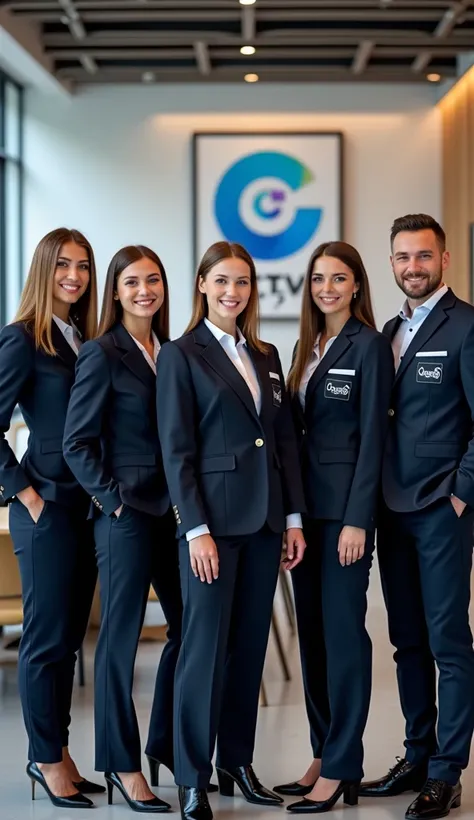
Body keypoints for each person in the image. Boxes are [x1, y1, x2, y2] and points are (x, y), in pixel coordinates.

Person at [156, 240, 306, 820]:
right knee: (202, 651)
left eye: (243, 282)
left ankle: (236, 763)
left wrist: (292, 518)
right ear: (201, 284)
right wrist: (194, 529)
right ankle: (192, 775)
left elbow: (283, 440)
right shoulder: (181, 354)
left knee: (248, 650)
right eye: (222, 280)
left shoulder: (266, 354)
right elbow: (177, 450)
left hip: (266, 523)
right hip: (211, 530)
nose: (232, 292)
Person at [359, 214, 474, 820]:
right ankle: (416, 752)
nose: (412, 268)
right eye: (402, 257)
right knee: (406, 641)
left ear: (444, 260)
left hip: (440, 510)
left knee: (448, 640)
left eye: (423, 257)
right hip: (390, 509)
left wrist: (462, 492)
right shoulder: (388, 331)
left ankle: (446, 771)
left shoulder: (468, 326)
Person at [273, 242, 394, 814]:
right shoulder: (306, 347)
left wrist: (357, 520)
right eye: (319, 278)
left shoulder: (369, 347)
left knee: (345, 637)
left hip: (345, 519)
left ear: (356, 286)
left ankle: (345, 763)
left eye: (338, 278)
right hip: (306, 519)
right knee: (315, 638)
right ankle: (324, 752)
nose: (327, 287)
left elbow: (374, 440)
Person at [63, 246, 183, 813]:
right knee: (120, 639)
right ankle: (122, 765)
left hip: (176, 513)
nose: (144, 290)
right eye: (132, 281)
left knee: (190, 628)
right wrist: (112, 503)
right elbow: (76, 443)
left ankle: (163, 744)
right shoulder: (101, 352)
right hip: (126, 515)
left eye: (153, 280)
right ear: (114, 291)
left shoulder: (173, 351)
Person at [0, 228, 100, 809]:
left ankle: (59, 753)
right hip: (47, 511)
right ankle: (44, 757)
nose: (75, 276)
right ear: (44, 270)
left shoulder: (81, 337)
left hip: (83, 510)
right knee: (44, 641)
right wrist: (27, 495)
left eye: (84, 266)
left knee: (67, 642)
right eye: (63, 265)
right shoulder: (22, 340)